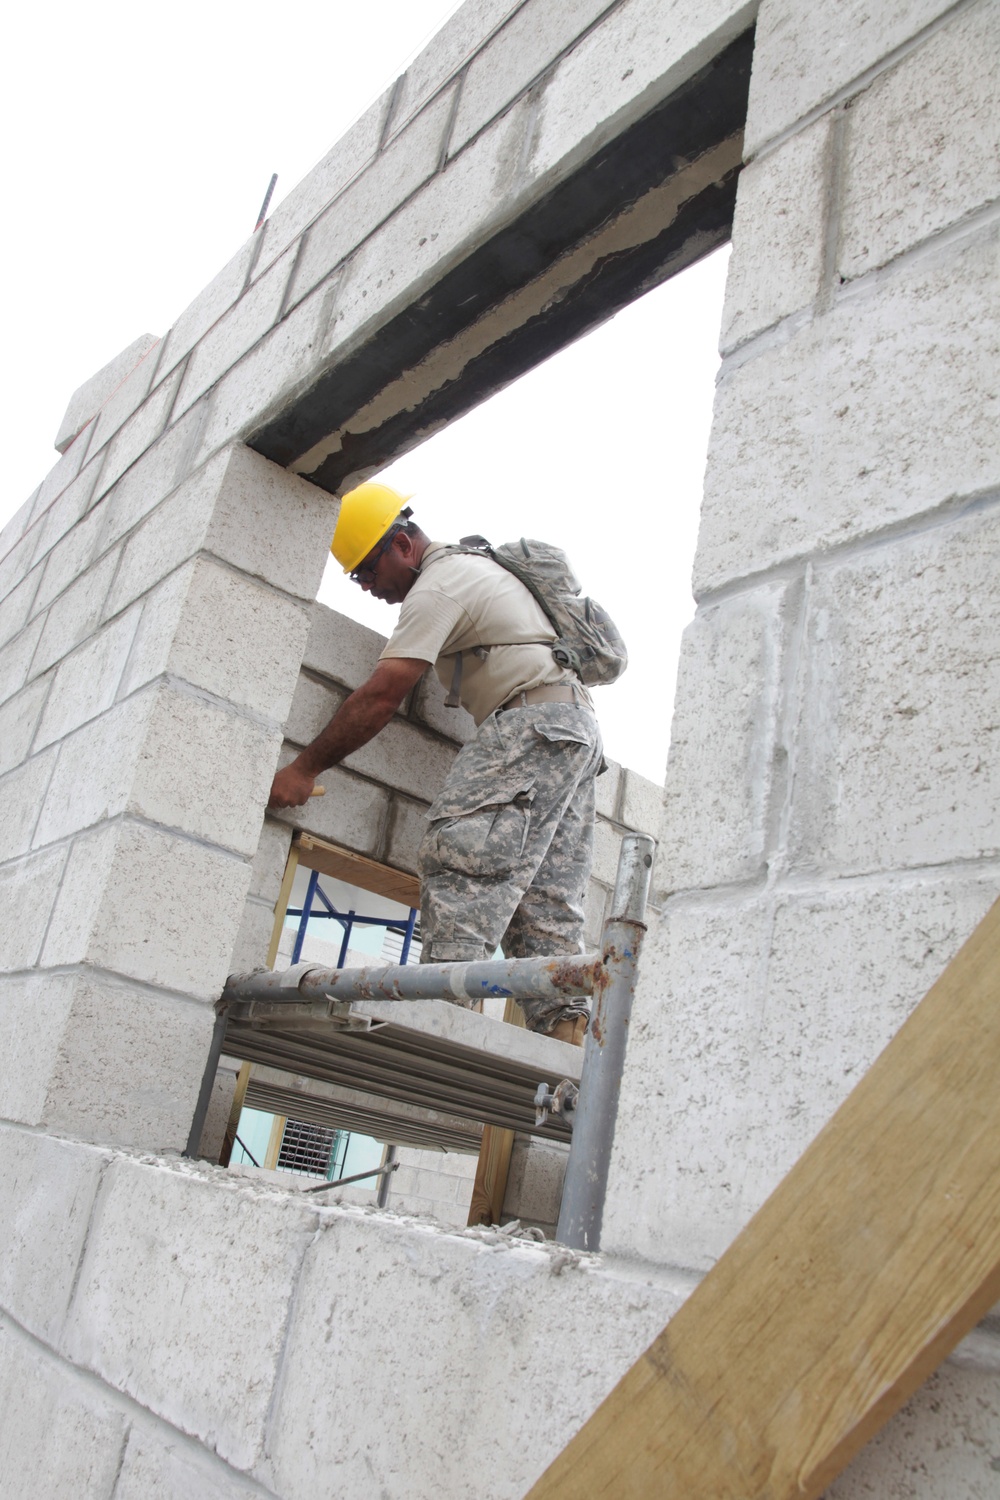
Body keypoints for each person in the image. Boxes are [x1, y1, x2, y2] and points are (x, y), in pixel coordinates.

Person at [268, 481, 604, 1043]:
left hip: (532, 725)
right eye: (356, 579)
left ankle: (436, 1024)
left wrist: (303, 770)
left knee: (462, 857)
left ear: (401, 544)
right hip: (574, 735)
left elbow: (383, 693)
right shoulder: (474, 571)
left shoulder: (439, 584)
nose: (368, 588)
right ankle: (566, 1046)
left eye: (369, 571)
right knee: (543, 908)